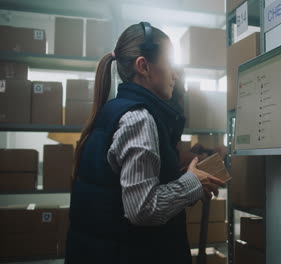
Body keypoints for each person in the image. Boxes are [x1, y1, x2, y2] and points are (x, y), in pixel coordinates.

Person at [65, 22, 225, 264]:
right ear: (143, 66)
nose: (175, 73)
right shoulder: (138, 119)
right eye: (170, 63)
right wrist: (192, 182)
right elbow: (142, 208)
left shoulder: (114, 111)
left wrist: (177, 176)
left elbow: (121, 193)